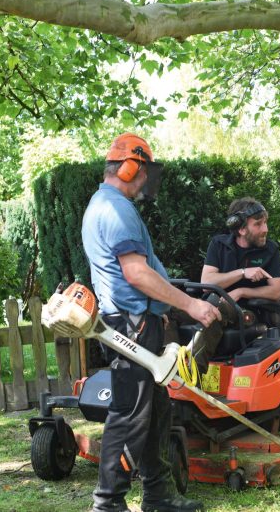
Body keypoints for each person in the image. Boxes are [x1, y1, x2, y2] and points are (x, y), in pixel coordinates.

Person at [82, 133, 221, 512]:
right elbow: (138, 275)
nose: (147, 181)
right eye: (145, 172)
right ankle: (107, 504)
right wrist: (191, 305)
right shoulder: (115, 210)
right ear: (131, 168)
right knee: (130, 414)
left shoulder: (103, 205)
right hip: (133, 325)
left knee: (155, 409)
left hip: (136, 322)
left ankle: (158, 495)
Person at [200, 197, 280, 304]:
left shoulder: (271, 249)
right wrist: (243, 273)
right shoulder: (219, 244)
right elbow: (206, 284)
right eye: (258, 224)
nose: (265, 229)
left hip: (253, 314)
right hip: (213, 308)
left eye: (265, 222)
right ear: (241, 229)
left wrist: (241, 292)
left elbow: (276, 292)